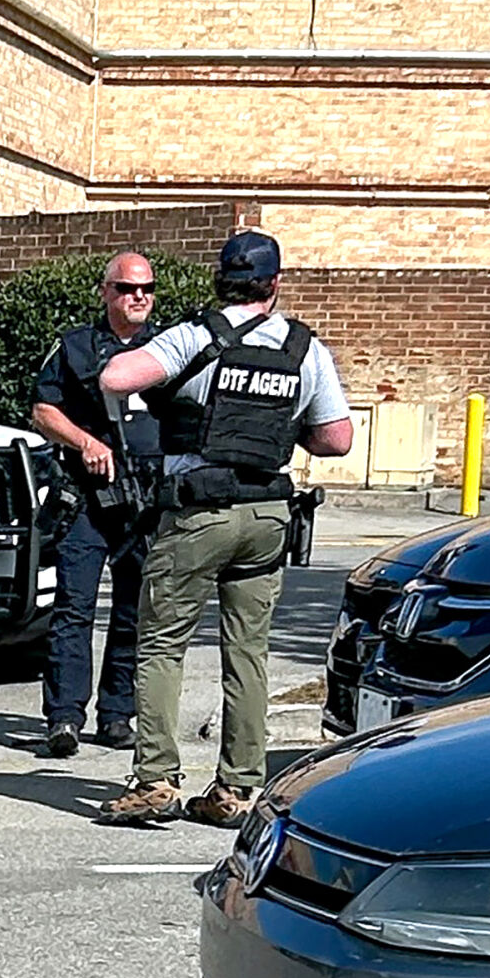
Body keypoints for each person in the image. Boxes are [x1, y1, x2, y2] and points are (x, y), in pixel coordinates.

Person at [94, 230, 353, 827]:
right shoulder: (303, 348)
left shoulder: (198, 335)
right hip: (267, 514)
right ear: (275, 284)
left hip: (198, 509)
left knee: (161, 645)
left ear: (220, 280)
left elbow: (116, 378)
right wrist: (285, 430)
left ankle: (156, 781)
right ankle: (237, 788)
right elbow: (337, 438)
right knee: (248, 651)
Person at [31, 252, 161, 758]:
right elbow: (44, 410)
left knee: (135, 610)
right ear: (106, 291)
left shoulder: (169, 348)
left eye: (147, 289)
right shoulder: (74, 347)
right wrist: (85, 441)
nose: (139, 298)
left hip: (145, 498)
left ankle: (117, 713)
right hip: (87, 497)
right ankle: (64, 716)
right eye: (128, 288)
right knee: (74, 608)